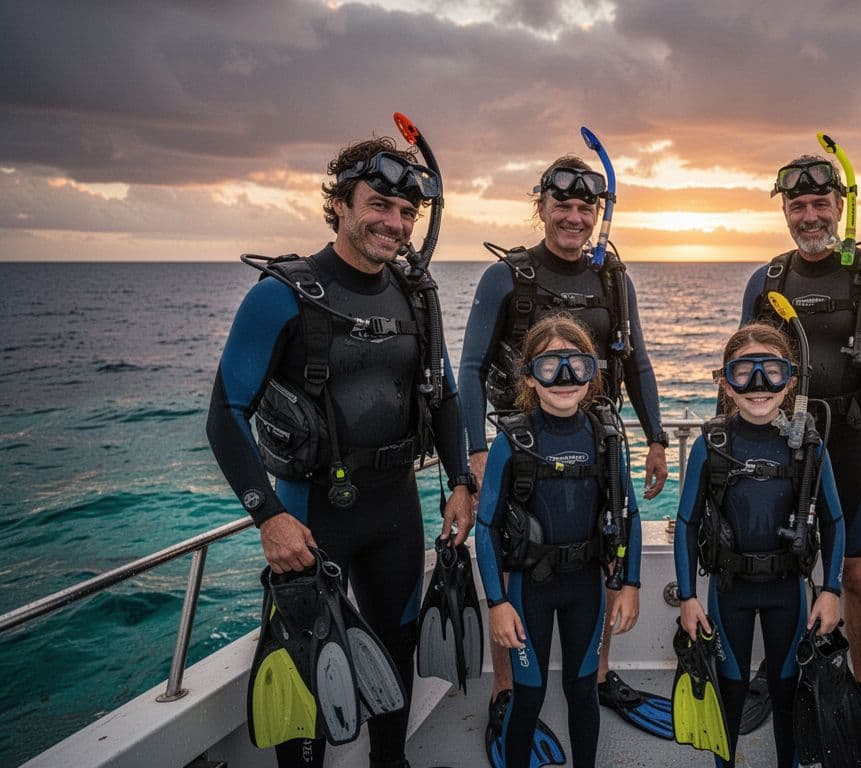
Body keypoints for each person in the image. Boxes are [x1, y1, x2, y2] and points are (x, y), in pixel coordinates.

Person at [206, 137, 475, 768]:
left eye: (407, 214)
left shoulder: (415, 294)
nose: (395, 223)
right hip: (309, 515)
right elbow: (224, 415)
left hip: (395, 508)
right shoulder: (282, 295)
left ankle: (391, 762)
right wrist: (268, 517)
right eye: (379, 204)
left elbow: (445, 396)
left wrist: (462, 479)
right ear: (340, 205)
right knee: (310, 661)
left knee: (397, 645)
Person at [459, 154, 670, 736]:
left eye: (586, 207)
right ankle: (507, 690)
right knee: (511, 551)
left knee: (599, 548)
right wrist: (474, 451)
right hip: (521, 443)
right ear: (541, 207)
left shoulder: (612, 278)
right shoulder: (508, 276)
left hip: (597, 440)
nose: (574, 217)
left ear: (597, 212)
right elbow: (472, 366)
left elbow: (637, 363)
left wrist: (655, 438)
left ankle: (596, 677)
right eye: (563, 205)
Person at [740, 154, 861, 724]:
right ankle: (781, 676)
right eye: (798, 205)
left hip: (851, 442)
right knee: (778, 563)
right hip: (782, 444)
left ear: (841, 207)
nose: (810, 215)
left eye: (821, 203)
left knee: (858, 572)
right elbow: (743, 369)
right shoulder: (767, 280)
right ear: (785, 211)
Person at [673, 322, 845, 768]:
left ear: (790, 381)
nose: (758, 386)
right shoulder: (711, 445)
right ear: (726, 383)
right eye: (743, 373)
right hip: (728, 591)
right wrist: (689, 597)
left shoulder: (807, 446)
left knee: (787, 693)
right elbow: (687, 523)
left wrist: (831, 590)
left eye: (771, 371)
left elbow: (835, 520)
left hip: (787, 591)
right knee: (729, 693)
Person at [474, 314, 642, 768]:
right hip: (530, 590)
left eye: (577, 365)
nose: (565, 378)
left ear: (594, 372)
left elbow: (630, 512)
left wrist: (629, 584)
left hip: (586, 587)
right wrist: (496, 602)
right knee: (528, 696)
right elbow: (485, 527)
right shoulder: (512, 441)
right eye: (550, 367)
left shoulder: (606, 438)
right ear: (529, 375)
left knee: (583, 691)